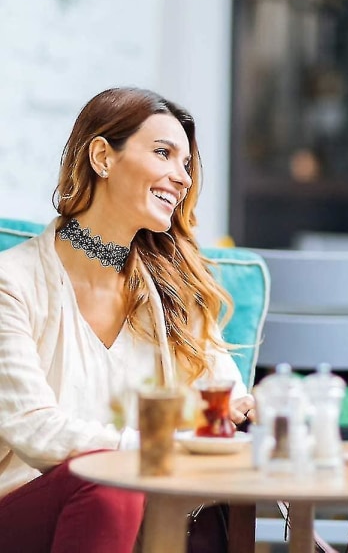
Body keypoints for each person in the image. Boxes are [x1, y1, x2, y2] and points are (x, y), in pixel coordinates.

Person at [0, 87, 255, 553]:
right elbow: (35, 431)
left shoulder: (176, 292)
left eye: (186, 165)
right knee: (110, 484)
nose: (181, 177)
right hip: (22, 511)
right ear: (102, 156)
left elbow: (223, 401)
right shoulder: (10, 284)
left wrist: (252, 411)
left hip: (154, 515)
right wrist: (162, 448)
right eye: (164, 154)